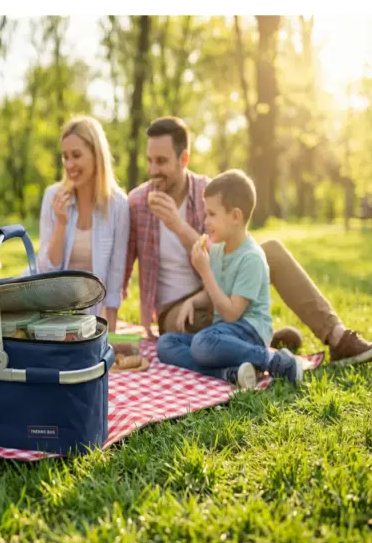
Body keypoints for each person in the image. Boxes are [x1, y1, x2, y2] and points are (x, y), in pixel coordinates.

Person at [124, 116, 372, 365]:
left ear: (184, 159)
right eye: (149, 161)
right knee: (195, 323)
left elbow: (233, 251)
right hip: (176, 308)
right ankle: (258, 341)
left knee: (270, 251)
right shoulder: (137, 202)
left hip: (217, 287)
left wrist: (178, 227)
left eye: (162, 161)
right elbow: (121, 266)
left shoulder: (209, 192)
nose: (153, 170)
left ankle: (338, 337)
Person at [157, 170, 303, 387]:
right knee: (166, 344)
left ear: (236, 216)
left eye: (212, 214)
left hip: (249, 331)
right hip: (224, 333)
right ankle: (230, 373)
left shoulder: (251, 257)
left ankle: (274, 361)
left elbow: (232, 314)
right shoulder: (217, 251)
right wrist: (192, 302)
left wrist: (204, 271)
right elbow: (213, 292)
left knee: (202, 343)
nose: (206, 222)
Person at [37, 115, 129, 333]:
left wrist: (111, 333)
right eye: (65, 157)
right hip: (52, 310)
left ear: (97, 155)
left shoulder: (118, 205)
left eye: (76, 155)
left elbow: (115, 278)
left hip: (90, 315)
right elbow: (45, 270)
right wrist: (61, 223)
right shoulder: (53, 196)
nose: (69, 165)